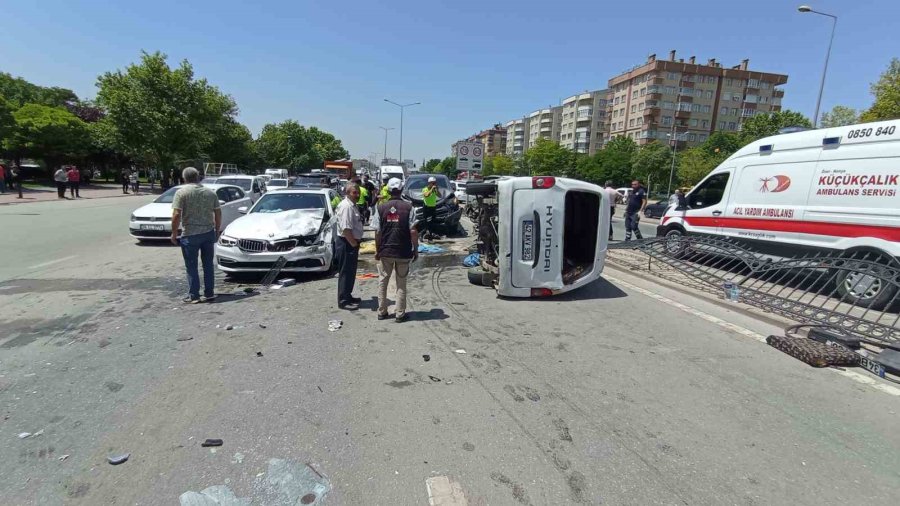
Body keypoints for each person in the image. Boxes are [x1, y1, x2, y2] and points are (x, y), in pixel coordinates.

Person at [171, 167, 221, 304]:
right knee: (208, 265)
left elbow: (176, 215)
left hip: (190, 235)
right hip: (208, 233)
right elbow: (218, 213)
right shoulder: (210, 193)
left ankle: (194, 295)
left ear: (184, 178)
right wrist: (217, 230)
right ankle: (209, 293)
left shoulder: (181, 193)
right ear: (198, 177)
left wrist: (174, 233)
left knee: (191, 266)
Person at [373, 178, 418, 323]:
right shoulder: (409, 207)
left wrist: (377, 249)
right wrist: (415, 249)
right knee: (401, 283)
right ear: (401, 189)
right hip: (403, 251)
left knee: (383, 281)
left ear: (389, 190)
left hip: (386, 251)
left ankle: (382, 311)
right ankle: (400, 313)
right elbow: (413, 231)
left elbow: (377, 232)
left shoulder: (380, 208)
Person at [335, 183, 364, 309]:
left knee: (351, 271)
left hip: (351, 242)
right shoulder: (346, 207)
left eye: (358, 192)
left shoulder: (352, 205)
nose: (357, 195)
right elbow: (346, 229)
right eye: (354, 192)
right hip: (347, 242)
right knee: (346, 272)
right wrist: (353, 244)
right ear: (347, 193)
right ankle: (343, 301)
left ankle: (348, 295)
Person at [421, 176, 440, 240]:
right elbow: (426, 195)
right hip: (427, 208)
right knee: (427, 223)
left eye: (434, 183)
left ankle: (430, 235)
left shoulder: (434, 189)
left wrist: (437, 189)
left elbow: (440, 195)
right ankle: (422, 234)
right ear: (429, 183)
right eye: (432, 183)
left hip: (433, 207)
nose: (434, 184)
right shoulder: (425, 189)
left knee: (432, 222)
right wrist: (432, 189)